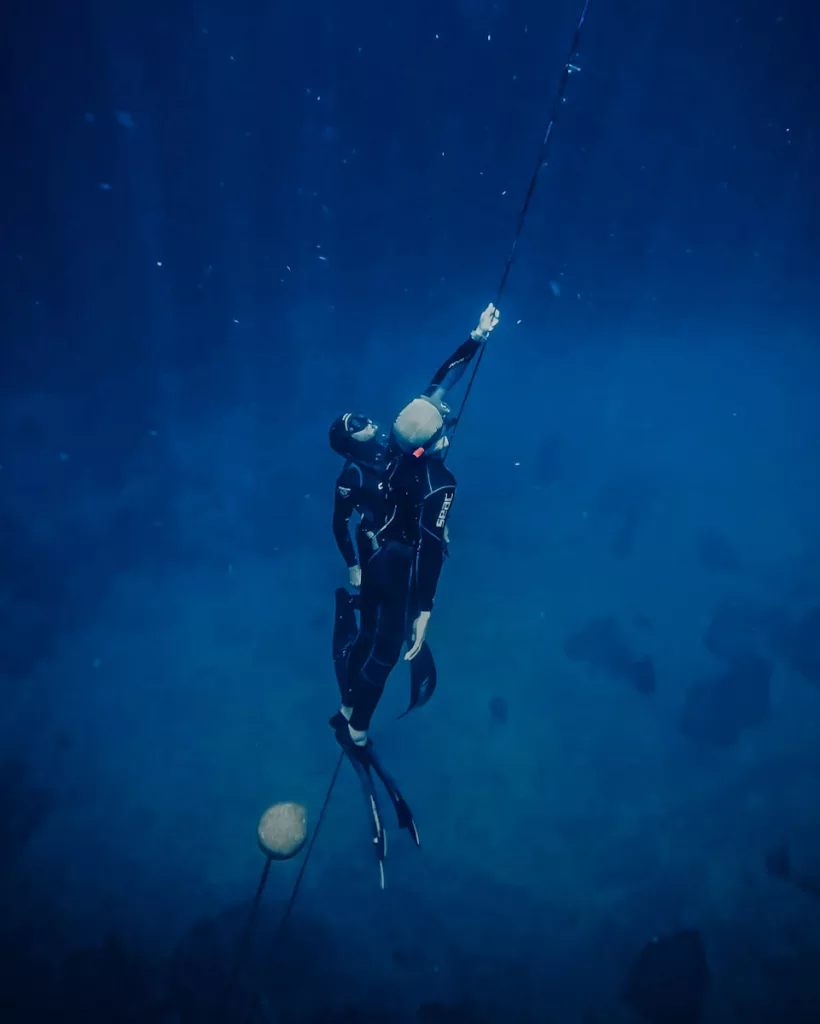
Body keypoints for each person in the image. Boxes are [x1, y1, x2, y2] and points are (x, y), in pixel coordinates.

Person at [334, 302, 500, 750]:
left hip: (376, 555)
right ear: (430, 445)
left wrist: (477, 336)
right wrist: (424, 610)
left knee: (368, 633)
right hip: (399, 566)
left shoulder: (398, 444)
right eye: (442, 427)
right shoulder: (439, 484)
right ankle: (357, 730)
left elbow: (442, 379)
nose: (446, 425)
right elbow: (429, 547)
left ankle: (348, 707)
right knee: (386, 652)